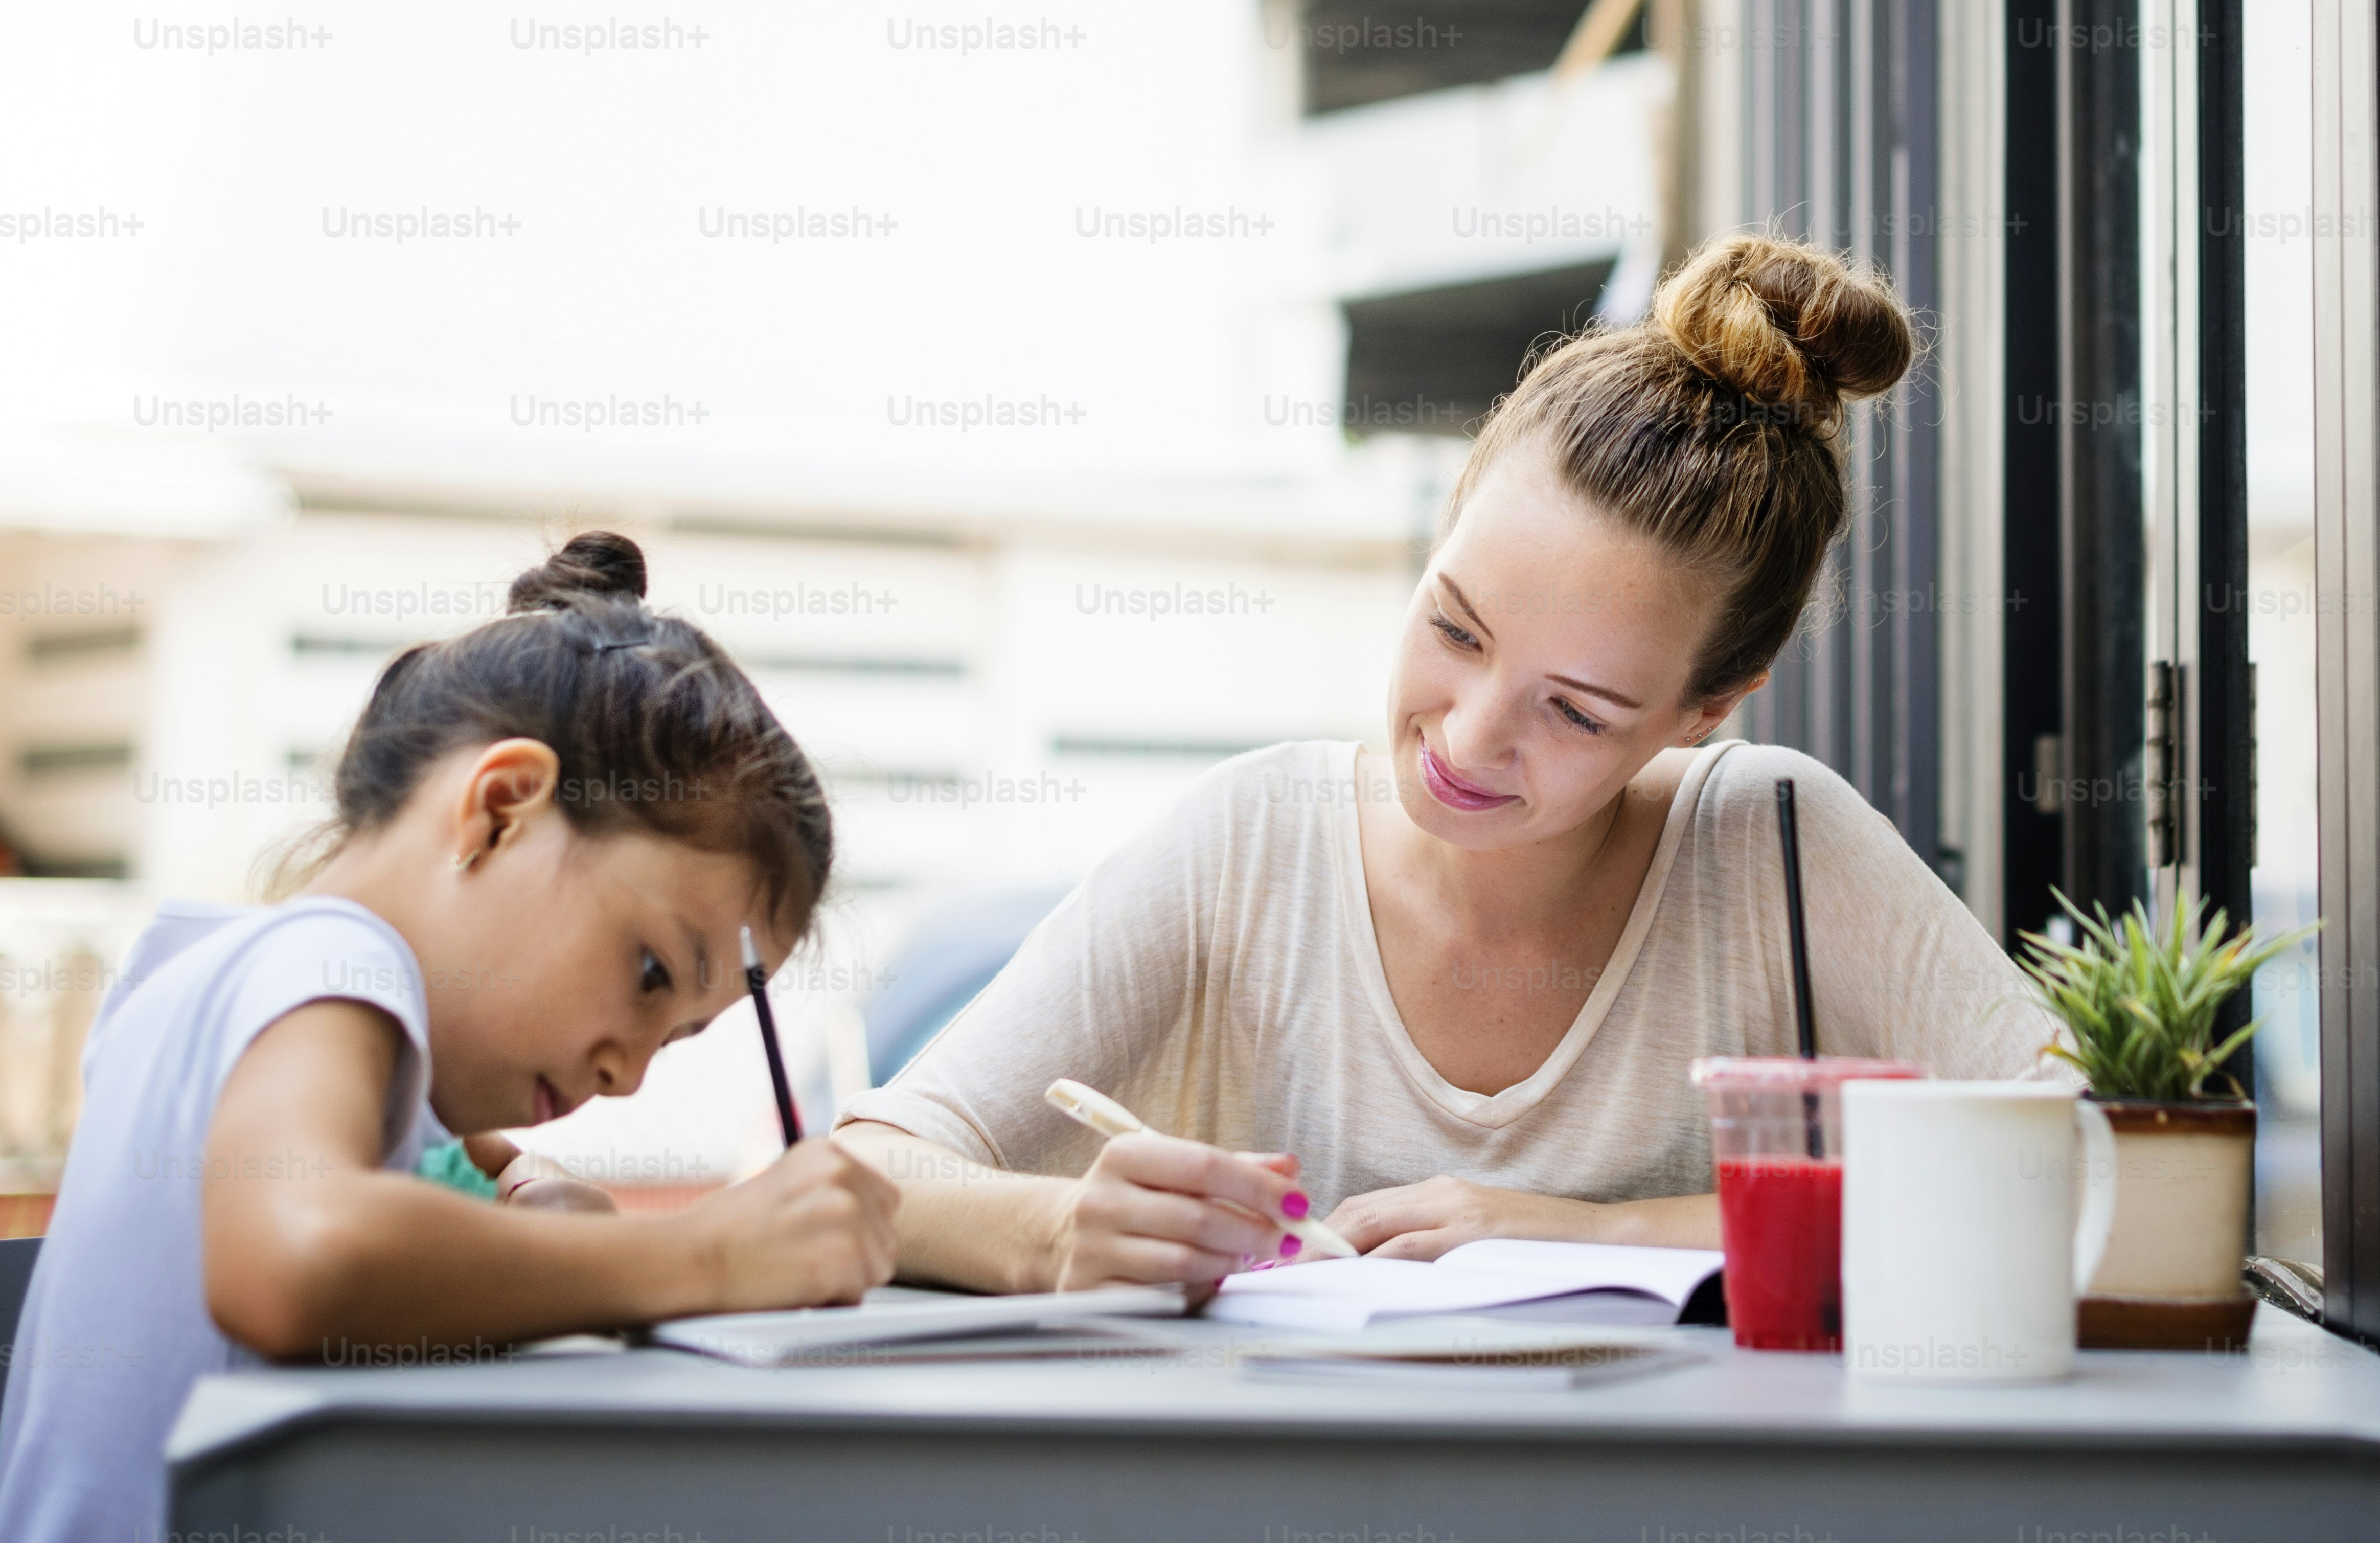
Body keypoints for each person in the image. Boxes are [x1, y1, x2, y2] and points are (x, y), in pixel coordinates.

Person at [836, 234, 2051, 1292]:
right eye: (1455, 630)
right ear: (1438, 535)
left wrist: (1591, 1231)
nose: (1465, 739)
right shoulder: (1250, 843)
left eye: (1573, 711)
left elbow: (2088, 1166)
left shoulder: (1773, 845)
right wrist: (1058, 1228)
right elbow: (862, 1169)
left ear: (1704, 709)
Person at [0, 533, 898, 1543]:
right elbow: (298, 1257)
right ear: (500, 813)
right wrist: (704, 1255)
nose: (628, 1073)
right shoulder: (335, 961)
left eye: (678, 1038)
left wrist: (531, 1194)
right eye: (649, 972)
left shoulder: (233, 973)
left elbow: (447, 1165)